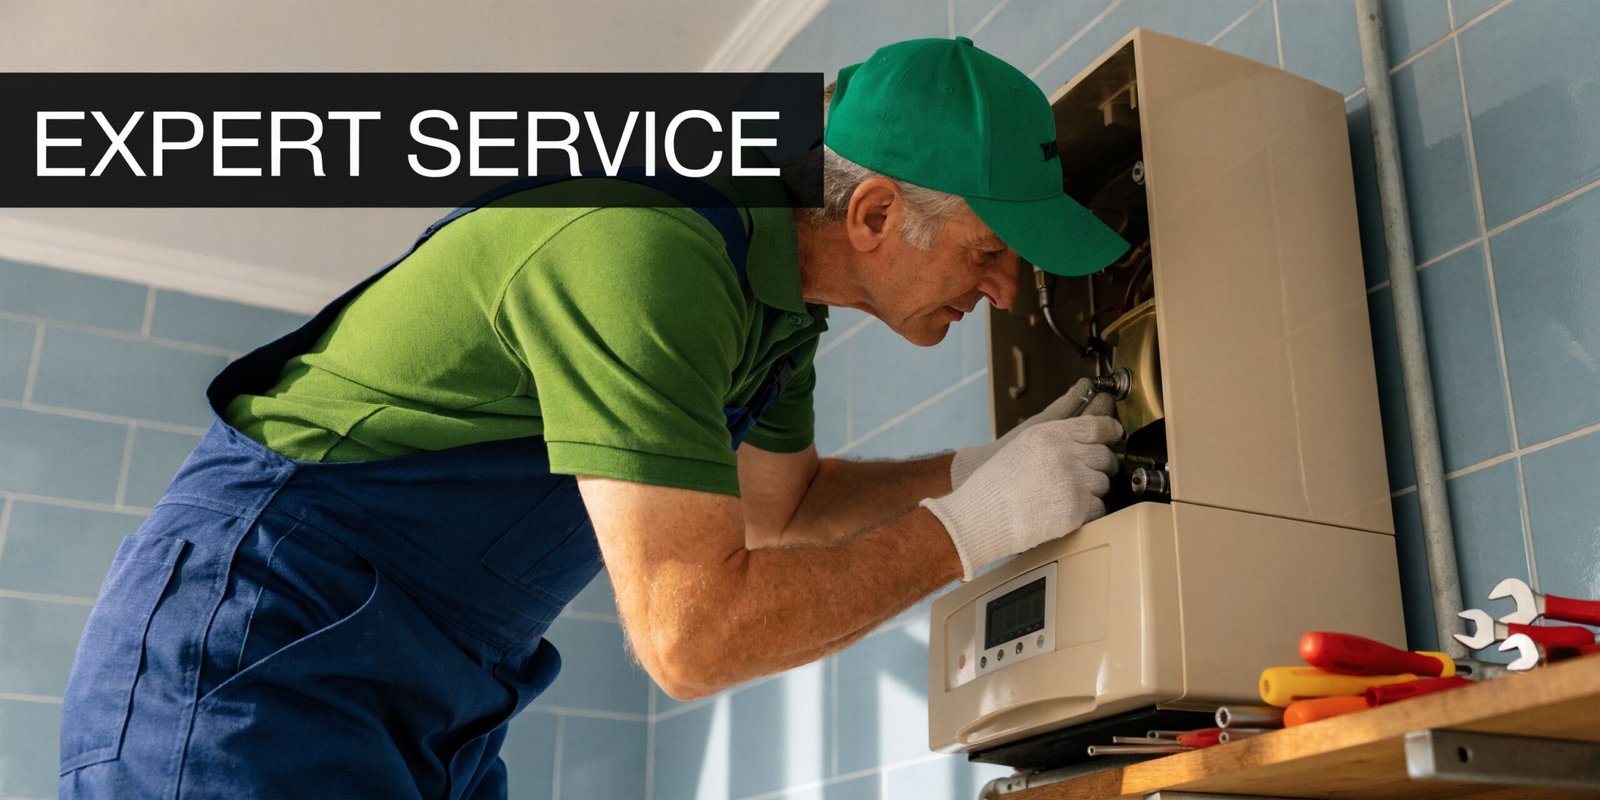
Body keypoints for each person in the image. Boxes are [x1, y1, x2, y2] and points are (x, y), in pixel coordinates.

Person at [58, 36, 1129, 798]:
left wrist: (982, 467)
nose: (1000, 291)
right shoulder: (647, 251)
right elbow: (693, 636)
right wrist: (975, 526)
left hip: (431, 694)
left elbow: (785, 509)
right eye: (988, 251)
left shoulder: (782, 317)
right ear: (875, 214)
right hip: (257, 654)